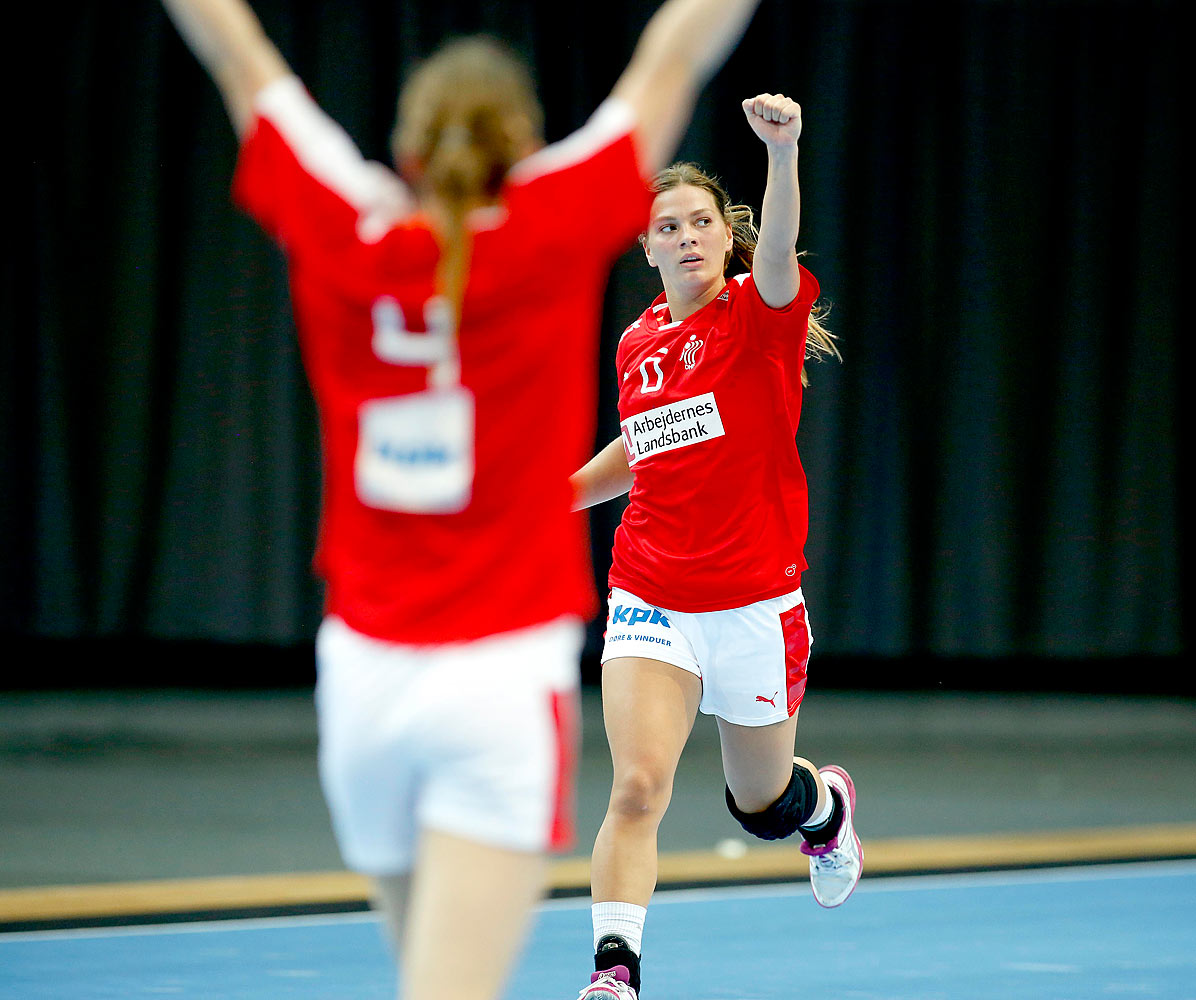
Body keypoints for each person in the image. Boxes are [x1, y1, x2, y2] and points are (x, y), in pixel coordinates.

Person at [156, 1, 766, 998]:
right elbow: (676, 48)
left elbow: (236, 47)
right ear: (521, 144)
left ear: (407, 143)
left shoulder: (343, 221)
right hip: (494, 677)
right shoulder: (552, 220)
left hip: (362, 675)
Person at [569, 94, 857, 1000]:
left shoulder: (757, 318)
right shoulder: (638, 342)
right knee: (637, 788)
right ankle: (616, 975)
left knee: (764, 805)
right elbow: (644, 444)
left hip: (753, 606)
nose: (687, 237)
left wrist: (783, 153)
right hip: (652, 593)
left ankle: (828, 809)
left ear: (722, 240)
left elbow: (779, 250)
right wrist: (553, 501)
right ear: (646, 246)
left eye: (701, 223)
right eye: (668, 227)